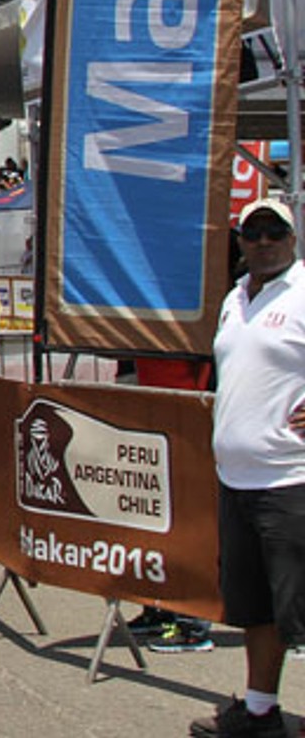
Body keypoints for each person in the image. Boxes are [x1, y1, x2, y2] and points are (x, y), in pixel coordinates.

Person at [191, 197, 305, 737]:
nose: (263, 241)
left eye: (273, 231)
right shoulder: (235, 298)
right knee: (257, 608)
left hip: (292, 480)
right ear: (239, 240)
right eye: (253, 232)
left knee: (299, 610)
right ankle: (261, 712)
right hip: (238, 481)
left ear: (293, 236)